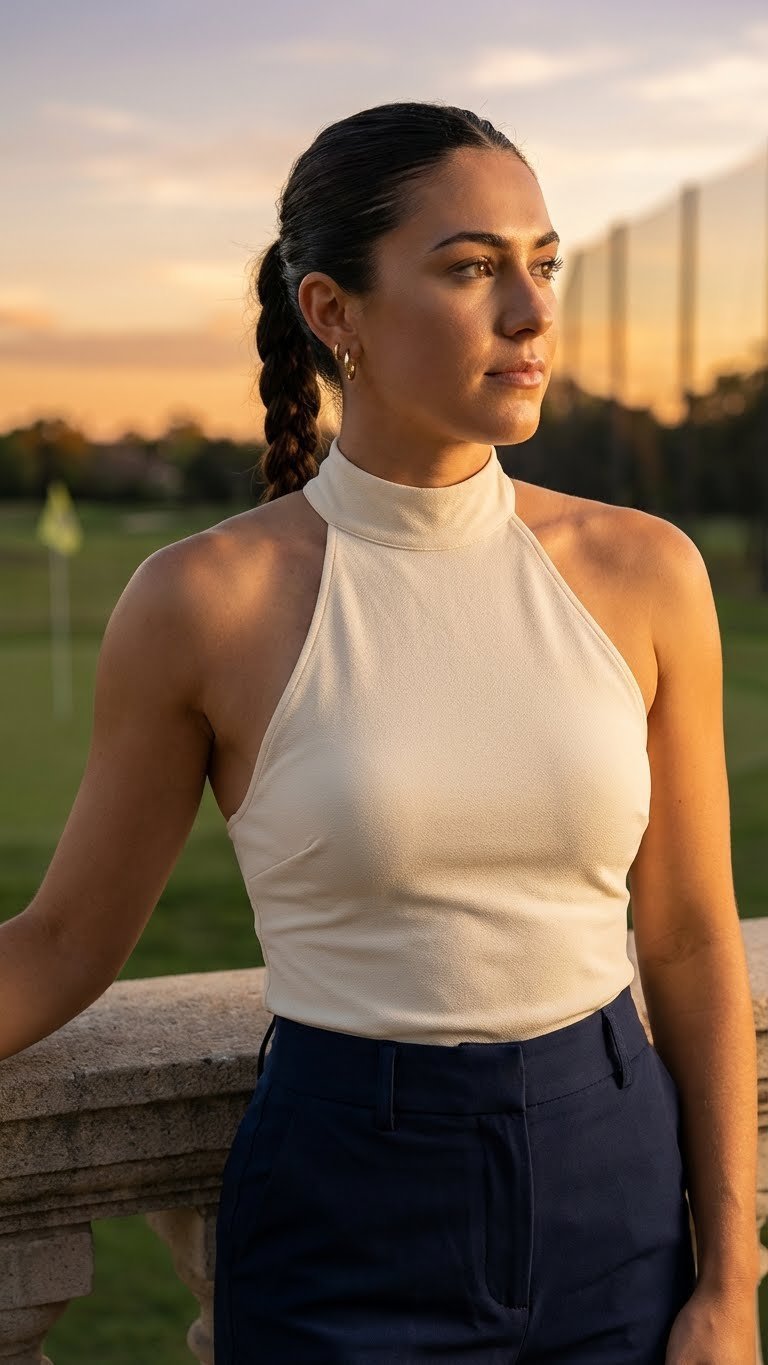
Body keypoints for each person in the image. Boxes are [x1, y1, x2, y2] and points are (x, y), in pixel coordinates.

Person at [0, 101, 758, 1363]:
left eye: (545, 262)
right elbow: (66, 940)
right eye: (472, 268)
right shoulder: (205, 601)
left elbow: (684, 938)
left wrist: (730, 1280)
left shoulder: (645, 571)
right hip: (342, 1210)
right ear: (333, 312)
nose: (532, 311)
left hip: (617, 1196)